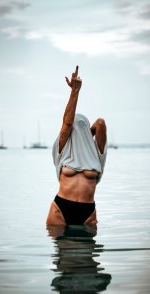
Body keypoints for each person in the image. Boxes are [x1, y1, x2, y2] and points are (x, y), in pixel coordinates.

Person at [46, 66, 107, 225]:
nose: (78, 130)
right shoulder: (62, 149)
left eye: (82, 128)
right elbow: (66, 124)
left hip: (88, 214)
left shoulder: (95, 153)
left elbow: (100, 123)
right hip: (61, 209)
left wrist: (87, 135)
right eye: (76, 129)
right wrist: (75, 91)